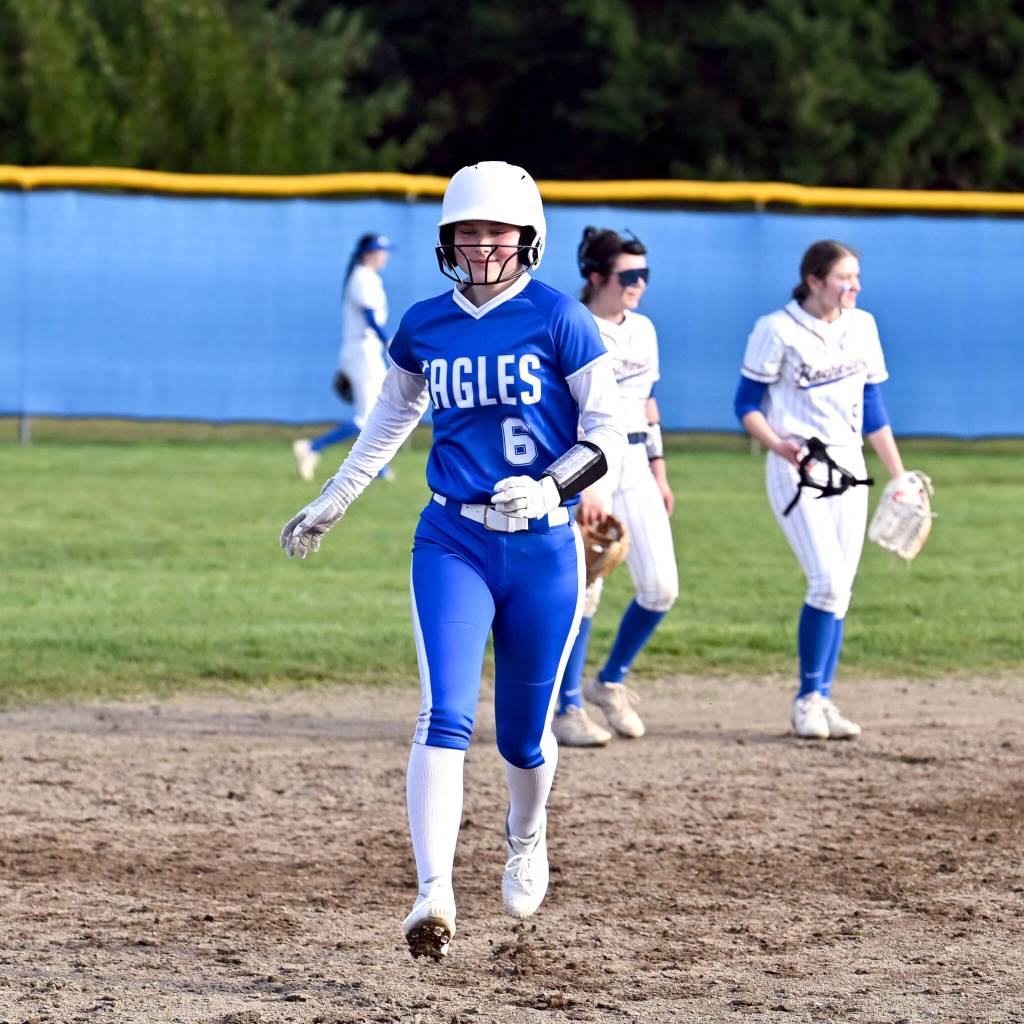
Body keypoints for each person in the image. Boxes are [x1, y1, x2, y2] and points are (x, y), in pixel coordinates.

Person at [279, 161, 625, 961]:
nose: (478, 243)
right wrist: (336, 496)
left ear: (526, 238)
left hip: (542, 548)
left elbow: (607, 431)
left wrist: (549, 488)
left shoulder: (561, 317)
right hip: (452, 539)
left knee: (524, 739)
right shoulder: (424, 323)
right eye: (465, 230)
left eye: (494, 229)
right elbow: (390, 418)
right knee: (443, 714)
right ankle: (433, 893)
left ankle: (525, 833)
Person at [733, 239, 908, 740]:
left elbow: (872, 406)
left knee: (841, 591)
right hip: (799, 465)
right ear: (814, 280)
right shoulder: (777, 329)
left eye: (856, 276)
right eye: (843, 278)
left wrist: (898, 475)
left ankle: (822, 698)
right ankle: (808, 700)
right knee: (827, 581)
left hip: (849, 462)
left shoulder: (863, 326)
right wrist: (778, 444)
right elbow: (745, 404)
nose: (853, 285)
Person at [552, 228, 679, 748]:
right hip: (590, 459)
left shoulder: (644, 329)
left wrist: (659, 469)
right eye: (629, 275)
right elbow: (565, 409)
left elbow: (647, 403)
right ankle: (566, 709)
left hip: (634, 458)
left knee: (661, 588)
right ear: (597, 276)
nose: (639, 284)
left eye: (644, 275)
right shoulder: (573, 324)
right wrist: (583, 485)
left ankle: (609, 682)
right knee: (587, 591)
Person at [293, 232, 396, 482]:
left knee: (379, 411)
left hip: (365, 350)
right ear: (368, 253)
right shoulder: (363, 278)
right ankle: (312, 447)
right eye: (382, 251)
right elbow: (370, 317)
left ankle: (380, 469)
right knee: (369, 417)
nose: (385, 256)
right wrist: (388, 340)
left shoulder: (368, 277)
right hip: (362, 350)